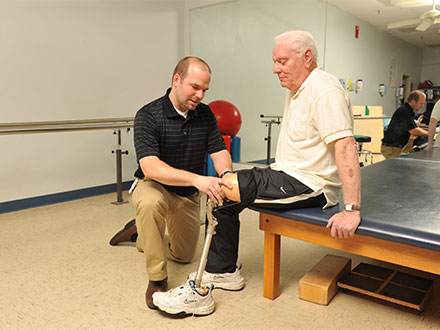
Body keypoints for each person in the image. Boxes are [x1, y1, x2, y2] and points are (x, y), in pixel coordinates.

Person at [152, 30, 361, 315]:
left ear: (307, 57)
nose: (275, 68)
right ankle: (223, 272)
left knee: (222, 189)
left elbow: (346, 145)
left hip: (312, 185)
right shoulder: (299, 88)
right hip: (287, 174)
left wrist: (351, 210)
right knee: (222, 192)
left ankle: (200, 290)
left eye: (282, 61)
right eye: (275, 61)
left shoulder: (324, 89)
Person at [108, 56, 234, 310]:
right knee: (150, 203)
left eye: (205, 90)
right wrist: (198, 179)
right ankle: (156, 279)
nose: (200, 95)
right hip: (155, 187)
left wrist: (227, 176)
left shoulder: (205, 114)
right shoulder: (148, 115)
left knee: (183, 256)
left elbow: (218, 151)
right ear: (176, 80)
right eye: (195, 87)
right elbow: (150, 167)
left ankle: (140, 232)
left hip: (187, 195)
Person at [381, 91, 428, 159]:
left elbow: (413, 126)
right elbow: (413, 130)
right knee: (395, 168)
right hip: (391, 148)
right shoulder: (405, 111)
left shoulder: (408, 111)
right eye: (421, 103)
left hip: (396, 147)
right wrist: (429, 134)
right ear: (412, 101)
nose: (422, 106)